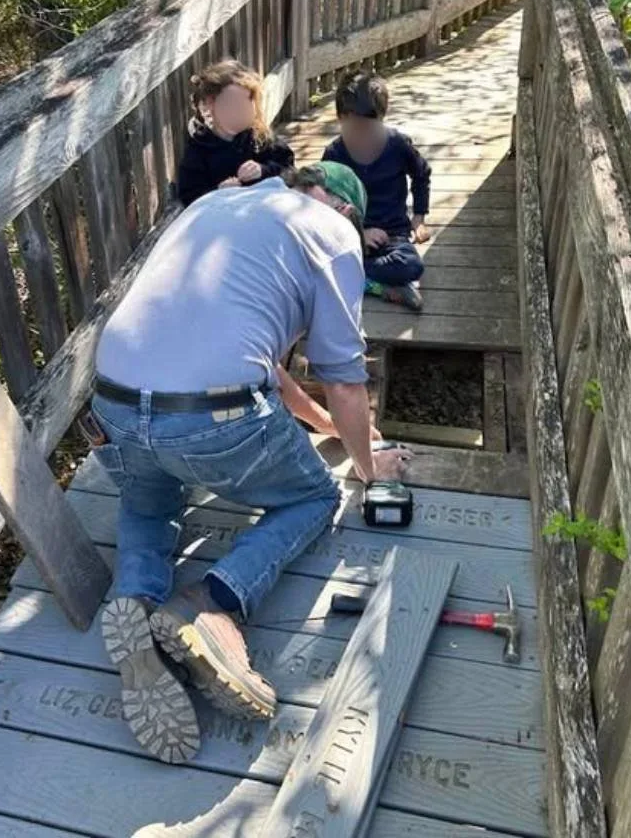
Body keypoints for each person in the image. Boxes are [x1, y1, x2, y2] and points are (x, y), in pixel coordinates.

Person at [89, 160, 413, 764]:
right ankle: (210, 606)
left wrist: (335, 431)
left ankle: (132, 603)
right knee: (315, 496)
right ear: (346, 211)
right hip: (212, 421)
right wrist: (371, 469)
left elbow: (269, 367)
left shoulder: (215, 205)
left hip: (113, 407)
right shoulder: (334, 233)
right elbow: (342, 380)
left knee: (148, 502)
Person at [321, 72, 433, 312]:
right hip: (351, 234)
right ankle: (376, 283)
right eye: (354, 128)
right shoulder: (334, 154)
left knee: (411, 266)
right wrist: (360, 232)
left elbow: (421, 174)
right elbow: (323, 201)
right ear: (340, 119)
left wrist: (419, 217)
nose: (361, 136)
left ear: (381, 118)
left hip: (393, 235)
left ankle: (355, 276)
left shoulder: (398, 145)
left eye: (368, 128)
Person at [174, 59, 296, 206]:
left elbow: (289, 167)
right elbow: (189, 196)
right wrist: (218, 192)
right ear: (210, 104)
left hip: (264, 209)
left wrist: (263, 170)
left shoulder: (258, 137)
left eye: (247, 102)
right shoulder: (199, 149)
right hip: (223, 219)